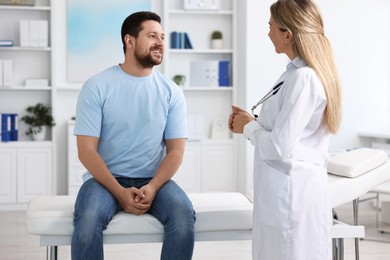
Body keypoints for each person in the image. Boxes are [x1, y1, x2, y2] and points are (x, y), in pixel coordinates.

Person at [71, 11, 195, 260]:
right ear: (129, 41)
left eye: (162, 36)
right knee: (88, 219)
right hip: (104, 181)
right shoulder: (97, 86)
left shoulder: (171, 92)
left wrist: (152, 187)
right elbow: (86, 151)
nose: (160, 42)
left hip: (153, 180)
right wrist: (119, 192)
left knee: (183, 215)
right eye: (152, 36)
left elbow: (176, 151)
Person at [229, 0, 342, 259]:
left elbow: (280, 147)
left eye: (271, 27)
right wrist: (252, 120)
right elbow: (290, 129)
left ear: (287, 35)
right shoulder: (296, 74)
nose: (268, 33)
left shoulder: (304, 78)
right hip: (287, 190)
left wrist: (249, 127)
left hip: (292, 195)